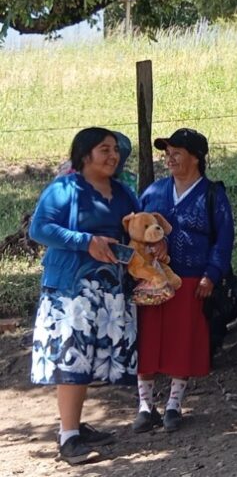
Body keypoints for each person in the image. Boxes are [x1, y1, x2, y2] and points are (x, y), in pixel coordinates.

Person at [29, 127, 140, 465]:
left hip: (110, 290)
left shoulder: (122, 191)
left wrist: (153, 245)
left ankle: (75, 425)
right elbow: (40, 229)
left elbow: (136, 226)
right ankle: (68, 437)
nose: (112, 156)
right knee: (72, 360)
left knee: (91, 359)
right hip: (71, 292)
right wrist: (86, 241)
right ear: (84, 155)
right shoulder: (64, 188)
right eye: (104, 149)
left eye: (115, 150)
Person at [134, 128, 234, 433]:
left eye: (177, 153)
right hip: (154, 278)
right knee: (148, 338)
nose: (170, 159)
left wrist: (212, 274)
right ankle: (144, 405)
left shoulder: (212, 195)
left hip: (192, 279)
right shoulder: (153, 192)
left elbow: (224, 239)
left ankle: (174, 404)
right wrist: (149, 248)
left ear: (196, 157)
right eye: (167, 153)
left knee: (182, 339)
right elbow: (137, 230)